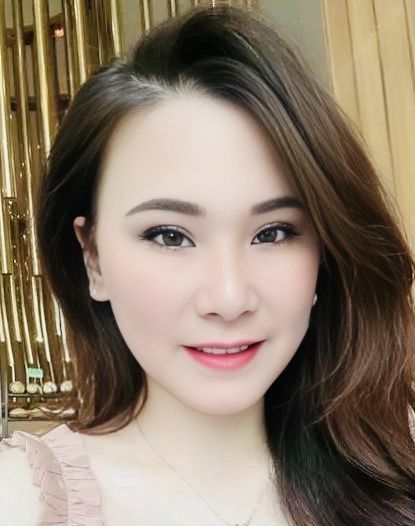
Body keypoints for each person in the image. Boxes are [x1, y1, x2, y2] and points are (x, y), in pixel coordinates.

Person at [1, 4, 414, 525]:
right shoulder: (22, 501)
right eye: (170, 236)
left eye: (273, 232)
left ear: (325, 251)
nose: (229, 298)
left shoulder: (398, 468)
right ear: (94, 257)